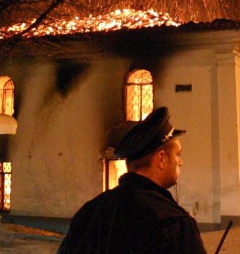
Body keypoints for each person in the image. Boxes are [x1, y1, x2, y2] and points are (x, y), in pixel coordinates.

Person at [57, 107, 206, 254]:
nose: (180, 162)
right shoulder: (174, 224)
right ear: (162, 158)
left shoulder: (89, 213)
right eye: (177, 155)